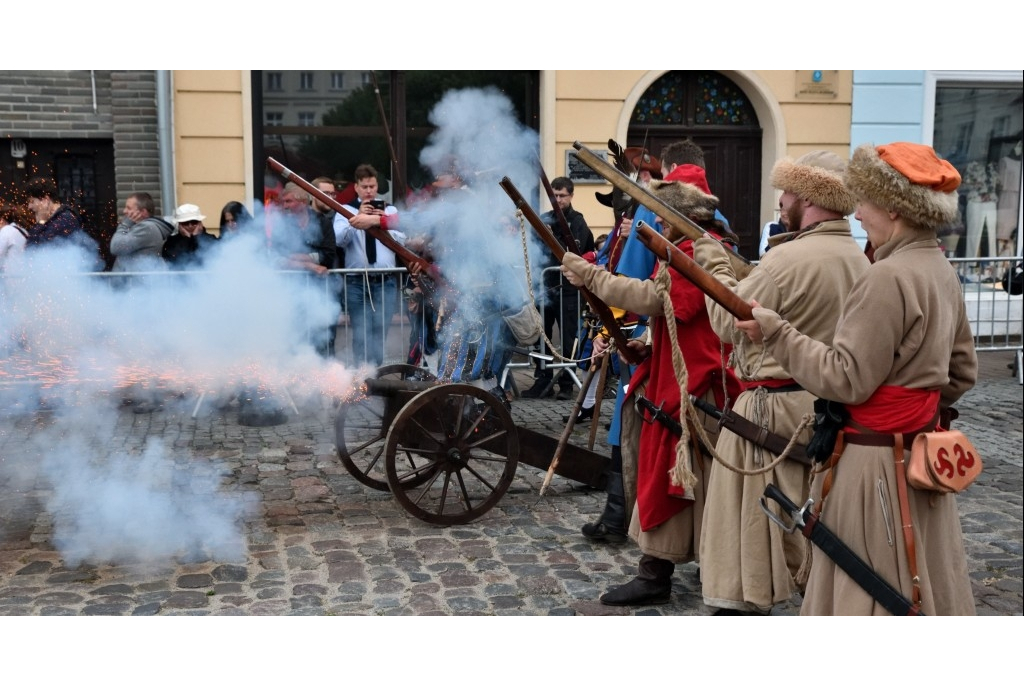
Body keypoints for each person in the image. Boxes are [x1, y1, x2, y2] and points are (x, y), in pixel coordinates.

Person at [735, 142, 978, 616]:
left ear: (893, 207)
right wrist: (913, 405)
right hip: (919, 453)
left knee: (868, 584)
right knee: (922, 577)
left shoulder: (887, 276)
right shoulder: (940, 270)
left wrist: (777, 331)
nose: (858, 214)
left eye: (864, 201)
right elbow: (962, 371)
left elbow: (846, 380)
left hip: (874, 465)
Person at [693, 150, 869, 615]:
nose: (782, 200)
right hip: (826, 411)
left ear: (809, 197)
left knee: (747, 539)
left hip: (771, 411)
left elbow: (728, 325)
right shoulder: (858, 257)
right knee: (810, 526)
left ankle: (744, 606)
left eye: (788, 191)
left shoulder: (786, 260)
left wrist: (714, 265)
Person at [561, 179, 743, 605]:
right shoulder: (684, 249)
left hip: (697, 386)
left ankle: (662, 571)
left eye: (662, 214)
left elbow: (652, 298)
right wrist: (652, 344)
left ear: (682, 216)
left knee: (685, 481)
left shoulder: (700, 250)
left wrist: (592, 275)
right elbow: (670, 314)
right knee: (684, 481)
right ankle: (677, 566)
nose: (655, 221)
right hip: (680, 379)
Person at [522, 176, 595, 400]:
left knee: (567, 339)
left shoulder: (578, 222)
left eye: (562, 195)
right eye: (554, 195)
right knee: (540, 336)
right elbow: (533, 249)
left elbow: (578, 252)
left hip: (569, 290)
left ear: (571, 196)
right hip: (545, 288)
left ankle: (565, 383)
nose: (558, 199)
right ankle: (542, 381)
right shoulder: (543, 219)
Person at [333, 163, 405, 368]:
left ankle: (375, 373)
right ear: (356, 187)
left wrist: (378, 221)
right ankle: (361, 374)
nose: (369, 191)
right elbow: (340, 240)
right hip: (357, 281)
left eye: (372, 186)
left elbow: (402, 241)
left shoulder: (389, 210)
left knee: (380, 329)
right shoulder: (345, 210)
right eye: (364, 187)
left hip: (385, 280)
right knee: (361, 329)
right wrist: (356, 220)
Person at [270, 183, 338, 357]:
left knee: (323, 335)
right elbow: (278, 258)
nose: (285, 206)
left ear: (301, 201)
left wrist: (297, 257)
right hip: (292, 292)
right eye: (283, 202)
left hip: (321, 291)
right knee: (295, 335)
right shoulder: (282, 225)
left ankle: (327, 378)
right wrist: (310, 264)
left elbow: (329, 254)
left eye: (288, 201)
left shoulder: (323, 222)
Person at [109, 192, 174, 273]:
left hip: (135, 284)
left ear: (143, 212)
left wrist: (125, 224)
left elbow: (116, 247)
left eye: (129, 208)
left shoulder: (146, 228)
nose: (124, 211)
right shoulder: (140, 226)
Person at [162, 203, 219, 269]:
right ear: (179, 225)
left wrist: (196, 238)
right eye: (185, 223)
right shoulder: (171, 242)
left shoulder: (211, 240)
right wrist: (186, 239)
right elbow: (175, 263)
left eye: (194, 222)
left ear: (200, 223)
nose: (190, 226)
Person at [0, 204, 29, 273]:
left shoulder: (6, 230)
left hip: (9, 277)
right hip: (21, 275)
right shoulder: (23, 231)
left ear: (2, 220)